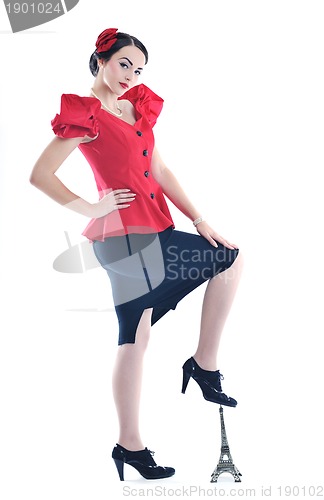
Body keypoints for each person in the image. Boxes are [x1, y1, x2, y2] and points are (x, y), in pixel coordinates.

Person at [30, 28, 243, 481]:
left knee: (228, 258)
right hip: (121, 239)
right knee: (134, 337)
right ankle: (131, 442)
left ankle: (204, 364)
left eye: (139, 68)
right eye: (124, 63)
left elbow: (159, 169)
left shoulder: (137, 107)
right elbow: (40, 174)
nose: (131, 74)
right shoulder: (86, 114)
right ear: (101, 60)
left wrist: (199, 219)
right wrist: (90, 206)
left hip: (160, 228)